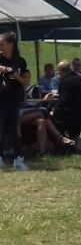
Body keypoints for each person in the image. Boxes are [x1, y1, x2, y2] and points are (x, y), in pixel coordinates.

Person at [0, 31, 30, 171]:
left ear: (11, 44)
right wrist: (5, 69)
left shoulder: (20, 61)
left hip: (13, 100)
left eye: (2, 44)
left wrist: (10, 72)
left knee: (15, 131)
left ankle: (18, 160)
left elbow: (24, 81)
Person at [51, 59, 81, 144]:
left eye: (58, 71)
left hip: (74, 116)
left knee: (54, 120)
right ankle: (75, 142)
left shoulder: (66, 82)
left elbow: (64, 102)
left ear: (61, 71)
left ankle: (62, 144)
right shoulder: (79, 79)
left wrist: (54, 112)